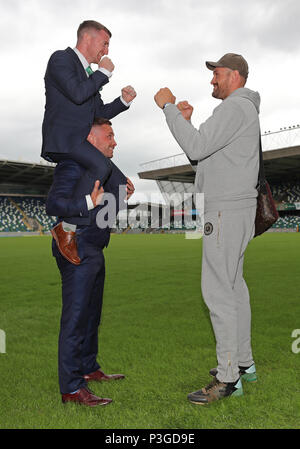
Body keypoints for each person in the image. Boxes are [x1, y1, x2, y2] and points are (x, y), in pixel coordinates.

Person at [154, 53, 260, 404]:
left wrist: (168, 108)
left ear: (234, 75)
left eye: (216, 74)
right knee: (233, 289)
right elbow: (202, 156)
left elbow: (197, 145)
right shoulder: (243, 109)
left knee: (218, 293)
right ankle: (243, 364)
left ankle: (228, 378)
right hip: (237, 209)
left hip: (226, 211)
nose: (212, 81)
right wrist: (186, 121)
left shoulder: (233, 108)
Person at [46, 118, 135, 407]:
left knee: (92, 315)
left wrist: (121, 194)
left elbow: (105, 213)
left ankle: (87, 368)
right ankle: (71, 388)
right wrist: (88, 202)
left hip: (95, 247)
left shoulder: (103, 169)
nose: (114, 141)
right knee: (76, 318)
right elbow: (55, 205)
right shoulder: (72, 165)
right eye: (109, 135)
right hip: (77, 246)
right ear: (91, 139)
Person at [41, 20, 136, 265]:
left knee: (120, 183)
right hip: (64, 139)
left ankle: (95, 231)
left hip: (79, 141)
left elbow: (98, 111)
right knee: (102, 166)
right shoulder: (60, 59)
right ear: (88, 39)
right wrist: (104, 73)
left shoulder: (87, 75)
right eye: (104, 44)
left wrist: (123, 101)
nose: (106, 50)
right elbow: (76, 93)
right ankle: (68, 228)